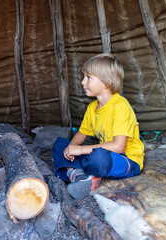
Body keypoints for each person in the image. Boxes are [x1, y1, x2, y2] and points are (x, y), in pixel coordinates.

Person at [52, 53, 144, 199]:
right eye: (84, 77)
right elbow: (81, 135)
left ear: (107, 82)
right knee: (61, 144)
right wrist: (72, 148)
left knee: (98, 157)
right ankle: (76, 174)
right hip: (103, 156)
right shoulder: (92, 108)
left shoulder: (120, 106)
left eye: (88, 77)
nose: (83, 82)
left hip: (126, 160)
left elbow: (119, 147)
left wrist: (80, 150)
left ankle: (87, 175)